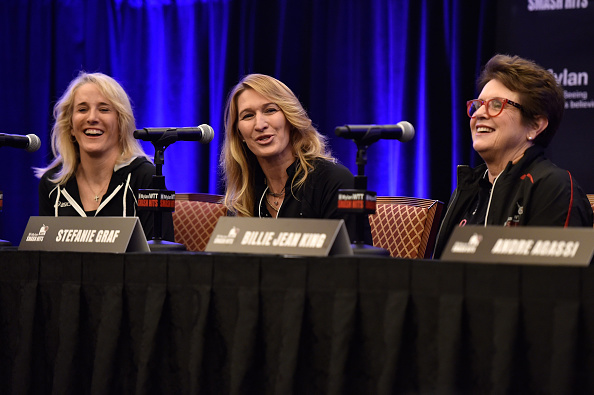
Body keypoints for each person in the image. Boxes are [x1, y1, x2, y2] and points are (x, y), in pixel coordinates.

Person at [433, 54, 593, 259]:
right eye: (479, 104)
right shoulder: (470, 188)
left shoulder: (553, 187)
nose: (480, 113)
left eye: (496, 105)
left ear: (535, 126)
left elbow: (553, 284)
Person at [220, 73, 371, 244]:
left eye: (270, 110)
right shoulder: (243, 197)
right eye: (248, 116)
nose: (260, 124)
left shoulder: (334, 182)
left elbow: (351, 265)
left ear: (290, 118)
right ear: (239, 133)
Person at [36, 72, 174, 242]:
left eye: (104, 109)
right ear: (70, 125)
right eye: (82, 109)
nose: (92, 118)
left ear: (121, 123)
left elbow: (159, 261)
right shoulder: (52, 184)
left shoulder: (146, 178)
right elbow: (44, 258)